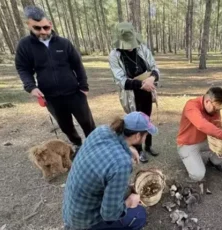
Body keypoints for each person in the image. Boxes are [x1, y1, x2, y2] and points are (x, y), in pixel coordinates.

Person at [15, 6, 95, 151]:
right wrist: (31, 86)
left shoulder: (64, 43)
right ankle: (77, 144)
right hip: (51, 97)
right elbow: (22, 68)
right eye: (37, 28)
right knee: (65, 125)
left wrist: (83, 87)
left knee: (87, 121)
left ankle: (94, 144)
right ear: (29, 25)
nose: (43, 31)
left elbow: (78, 65)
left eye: (46, 27)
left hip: (74, 93)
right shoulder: (24, 46)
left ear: (50, 24)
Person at [63, 111, 158, 230]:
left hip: (72, 209)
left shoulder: (102, 130)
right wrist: (129, 202)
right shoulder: (121, 163)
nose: (146, 137)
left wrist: (129, 148)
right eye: (146, 134)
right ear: (138, 136)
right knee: (139, 215)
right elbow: (109, 214)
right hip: (85, 222)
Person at [108, 22, 160, 163]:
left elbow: (154, 67)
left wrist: (152, 78)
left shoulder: (142, 48)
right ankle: (139, 150)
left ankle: (148, 145)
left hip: (146, 92)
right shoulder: (115, 55)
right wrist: (143, 83)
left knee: (147, 119)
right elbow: (121, 80)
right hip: (131, 94)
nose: (130, 46)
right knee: (135, 123)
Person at [177, 87, 222, 183]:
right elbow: (201, 125)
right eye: (216, 107)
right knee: (198, 175)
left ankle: (214, 161)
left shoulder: (215, 109)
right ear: (208, 101)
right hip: (187, 144)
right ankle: (187, 158)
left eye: (220, 108)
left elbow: (217, 126)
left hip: (206, 140)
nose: (217, 110)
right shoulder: (191, 105)